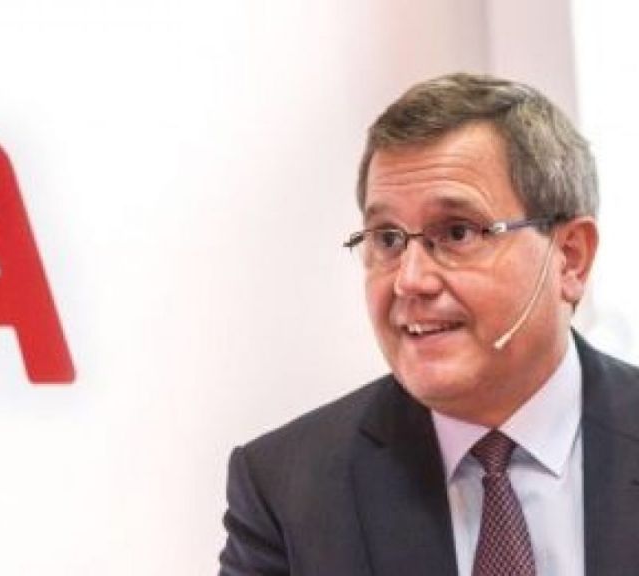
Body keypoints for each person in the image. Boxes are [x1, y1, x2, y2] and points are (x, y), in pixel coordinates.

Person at [219, 73, 639, 576]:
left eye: (457, 232)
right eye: (388, 239)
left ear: (569, 258)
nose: (410, 280)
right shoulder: (285, 490)